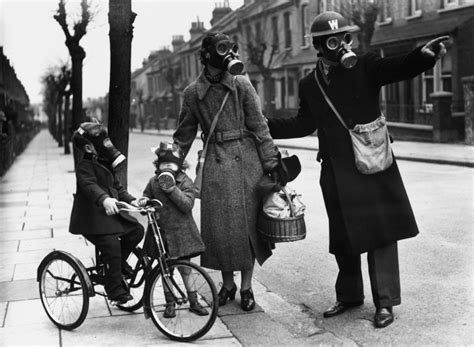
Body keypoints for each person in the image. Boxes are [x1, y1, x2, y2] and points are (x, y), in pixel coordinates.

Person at [267, 11, 448, 328]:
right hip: (336, 170)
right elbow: (303, 124)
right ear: (320, 47)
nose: (342, 47)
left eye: (346, 38)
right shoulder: (310, 84)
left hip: (372, 164)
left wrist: (424, 57)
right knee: (344, 236)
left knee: (381, 233)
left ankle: (385, 302)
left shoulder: (365, 65)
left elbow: (398, 66)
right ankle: (349, 296)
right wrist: (264, 126)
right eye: (334, 41)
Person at [173, 32, 287, 312]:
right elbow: (182, 137)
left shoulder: (242, 84)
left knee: (248, 229)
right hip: (215, 162)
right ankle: (227, 285)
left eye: (231, 48)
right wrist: (167, 165)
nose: (229, 54)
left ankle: (247, 288)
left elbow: (260, 127)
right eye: (222, 49)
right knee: (220, 231)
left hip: (247, 163)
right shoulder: (192, 93)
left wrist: (272, 164)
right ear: (208, 54)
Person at [69, 121, 144, 304]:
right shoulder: (84, 166)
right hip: (91, 219)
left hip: (107, 216)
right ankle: (114, 289)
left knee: (136, 231)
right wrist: (104, 199)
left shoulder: (105, 163)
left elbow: (117, 187)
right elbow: (89, 186)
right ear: (88, 147)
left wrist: (132, 200)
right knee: (111, 245)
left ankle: (116, 266)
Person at [138, 141, 208, 318]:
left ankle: (193, 301)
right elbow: (146, 195)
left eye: (171, 164)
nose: (167, 167)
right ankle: (170, 302)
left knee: (186, 269)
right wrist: (144, 201)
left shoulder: (185, 181)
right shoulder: (153, 182)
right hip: (162, 234)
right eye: (163, 164)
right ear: (158, 165)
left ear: (179, 166)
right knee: (166, 270)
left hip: (181, 234)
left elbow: (187, 205)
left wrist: (171, 189)